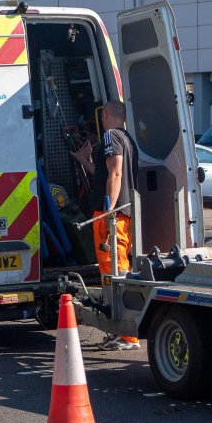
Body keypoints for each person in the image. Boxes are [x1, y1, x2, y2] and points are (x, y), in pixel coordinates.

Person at [69, 99, 141, 351]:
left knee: (115, 270)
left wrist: (108, 212)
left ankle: (127, 335)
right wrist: (83, 160)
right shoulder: (127, 139)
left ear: (106, 114)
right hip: (123, 213)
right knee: (116, 268)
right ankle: (120, 331)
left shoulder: (110, 136)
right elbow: (105, 172)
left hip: (112, 214)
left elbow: (116, 173)